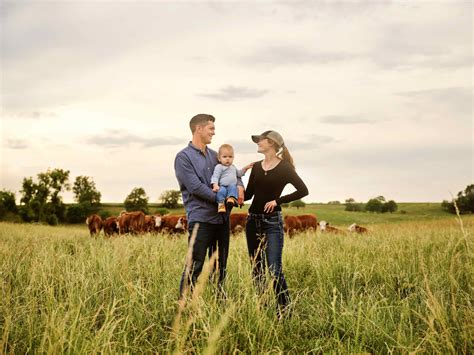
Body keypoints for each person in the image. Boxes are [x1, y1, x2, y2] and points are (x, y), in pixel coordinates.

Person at [174, 114, 244, 299]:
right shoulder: (183, 157)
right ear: (198, 128)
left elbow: (235, 175)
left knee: (220, 264)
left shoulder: (216, 156)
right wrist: (222, 198)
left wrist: (239, 189)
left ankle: (217, 304)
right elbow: (195, 187)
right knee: (195, 264)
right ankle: (185, 306)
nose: (214, 132)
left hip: (222, 219)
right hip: (201, 219)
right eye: (211, 128)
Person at [244, 130, 308, 318]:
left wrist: (277, 201)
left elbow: (303, 190)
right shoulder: (256, 167)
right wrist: (233, 180)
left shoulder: (285, 167)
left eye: (260, 140)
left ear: (270, 143)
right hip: (252, 221)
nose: (258, 143)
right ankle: (262, 311)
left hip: (272, 222)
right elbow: (248, 195)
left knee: (274, 269)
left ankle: (285, 312)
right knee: (257, 269)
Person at [211, 144, 253, 214]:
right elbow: (215, 176)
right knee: (221, 192)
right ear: (219, 158)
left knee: (233, 188)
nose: (228, 159)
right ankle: (221, 205)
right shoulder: (219, 167)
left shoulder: (233, 167)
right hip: (223, 186)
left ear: (233, 158)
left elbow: (239, 174)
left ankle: (231, 199)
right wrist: (215, 185)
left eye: (230, 157)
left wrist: (245, 168)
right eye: (224, 157)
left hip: (231, 185)